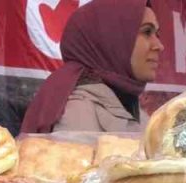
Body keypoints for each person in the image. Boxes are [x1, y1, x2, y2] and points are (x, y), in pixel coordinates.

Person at [19, 0, 163, 134]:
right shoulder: (77, 115)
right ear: (110, 39)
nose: (159, 46)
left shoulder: (130, 108)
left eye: (157, 34)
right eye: (146, 32)